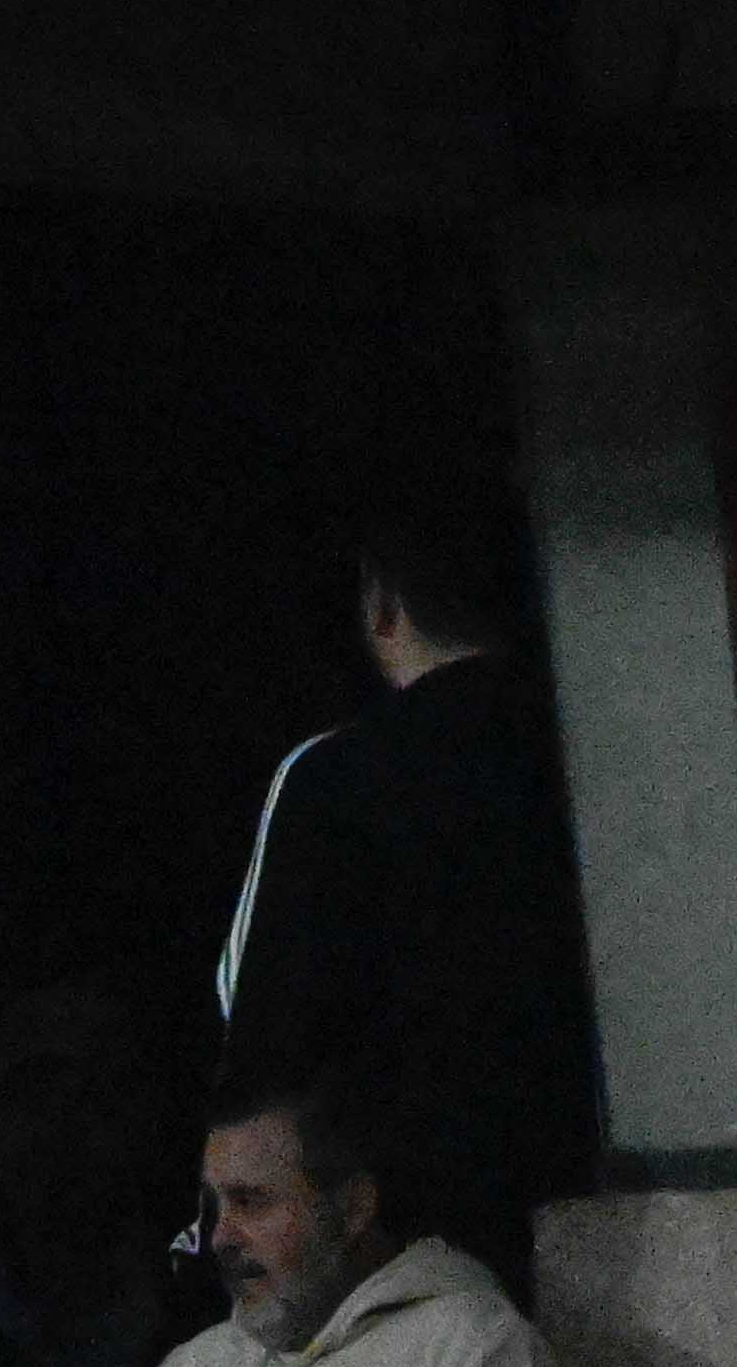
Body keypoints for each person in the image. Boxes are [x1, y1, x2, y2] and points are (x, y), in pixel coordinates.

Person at [217, 485, 593, 1280]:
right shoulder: (594, 757)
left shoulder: (334, 776)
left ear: (382, 602)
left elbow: (265, 1037)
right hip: (595, 1208)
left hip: (398, 1246)